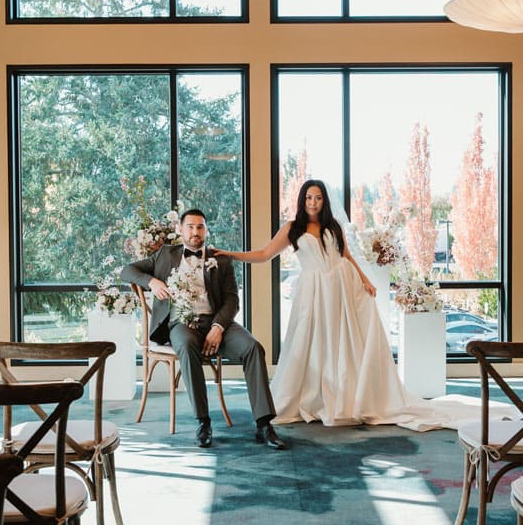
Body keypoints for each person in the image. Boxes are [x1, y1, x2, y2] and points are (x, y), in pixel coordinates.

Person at [215, 179, 455, 429]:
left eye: (317, 198)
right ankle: (315, 395)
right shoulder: (292, 228)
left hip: (342, 286)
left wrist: (365, 281)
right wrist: (231, 254)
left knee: (342, 340)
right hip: (313, 291)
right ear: (302, 200)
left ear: (324, 200)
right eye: (308, 198)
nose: (313, 202)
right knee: (311, 340)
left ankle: (345, 397)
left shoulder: (333, 226)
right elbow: (264, 254)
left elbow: (347, 256)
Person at [121, 208, 285, 450]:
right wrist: (152, 281)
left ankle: (263, 425)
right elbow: (127, 270)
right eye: (190, 227)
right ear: (180, 230)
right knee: (187, 346)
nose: (195, 232)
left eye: (200, 227)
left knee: (253, 348)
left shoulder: (220, 259)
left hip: (217, 323)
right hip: (181, 324)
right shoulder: (165, 255)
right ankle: (203, 422)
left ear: (206, 230)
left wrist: (218, 326)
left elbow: (232, 300)